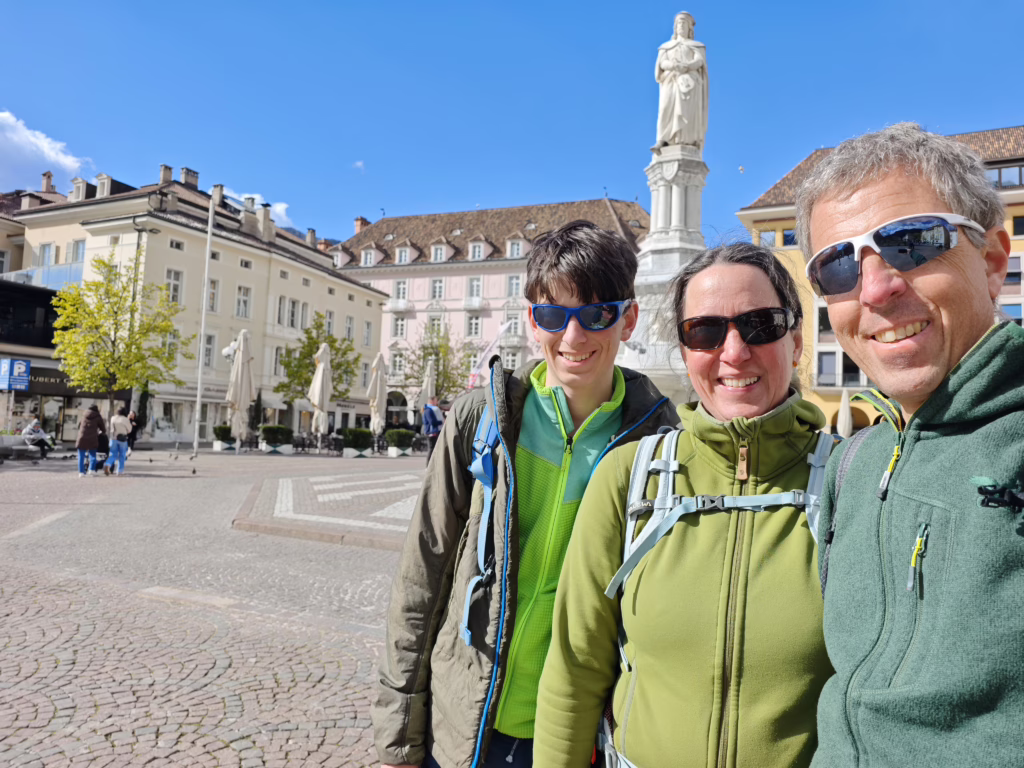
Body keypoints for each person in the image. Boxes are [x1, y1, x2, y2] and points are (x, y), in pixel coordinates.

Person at [373, 221, 679, 768]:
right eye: (552, 315)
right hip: (467, 721)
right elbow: (424, 570)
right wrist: (399, 728)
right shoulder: (482, 418)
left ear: (628, 318)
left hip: (576, 734)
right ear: (531, 319)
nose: (573, 337)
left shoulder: (658, 443)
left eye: (596, 314)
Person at [534, 243, 834, 767]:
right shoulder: (628, 477)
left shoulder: (850, 482)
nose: (734, 352)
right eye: (706, 331)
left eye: (760, 324)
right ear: (684, 348)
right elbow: (575, 668)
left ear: (797, 340)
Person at [794, 123, 1018, 766]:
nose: (875, 288)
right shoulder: (853, 465)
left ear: (994, 260)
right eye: (838, 265)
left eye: (913, 242)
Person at [654, 12, 708, 150]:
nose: (681, 26)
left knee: (686, 111)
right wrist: (673, 66)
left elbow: (699, 61)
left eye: (684, 24)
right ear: (675, 27)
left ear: (689, 28)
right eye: (679, 24)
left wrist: (688, 66)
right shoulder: (666, 46)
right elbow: (662, 63)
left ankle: (686, 141)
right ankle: (663, 140)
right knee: (666, 108)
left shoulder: (696, 45)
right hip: (670, 81)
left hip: (688, 83)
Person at [76, 404, 105, 477]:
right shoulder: (98, 416)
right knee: (92, 454)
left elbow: (79, 426)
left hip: (82, 437)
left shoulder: (84, 415)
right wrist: (101, 432)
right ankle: (91, 470)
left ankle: (81, 472)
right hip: (92, 438)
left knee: (81, 456)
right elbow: (103, 429)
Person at [103, 407, 132, 476]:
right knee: (122, 455)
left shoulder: (113, 418)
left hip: (113, 438)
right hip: (122, 439)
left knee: (113, 454)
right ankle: (120, 471)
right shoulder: (125, 419)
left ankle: (107, 464)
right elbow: (129, 430)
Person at [421, 396, 443, 462]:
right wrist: (441, 421)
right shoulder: (428, 410)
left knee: (433, 449)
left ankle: (431, 466)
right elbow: (432, 422)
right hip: (432, 432)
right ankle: (428, 466)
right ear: (431, 401)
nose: (437, 402)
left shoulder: (428, 409)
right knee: (431, 449)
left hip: (433, 432)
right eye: (436, 400)